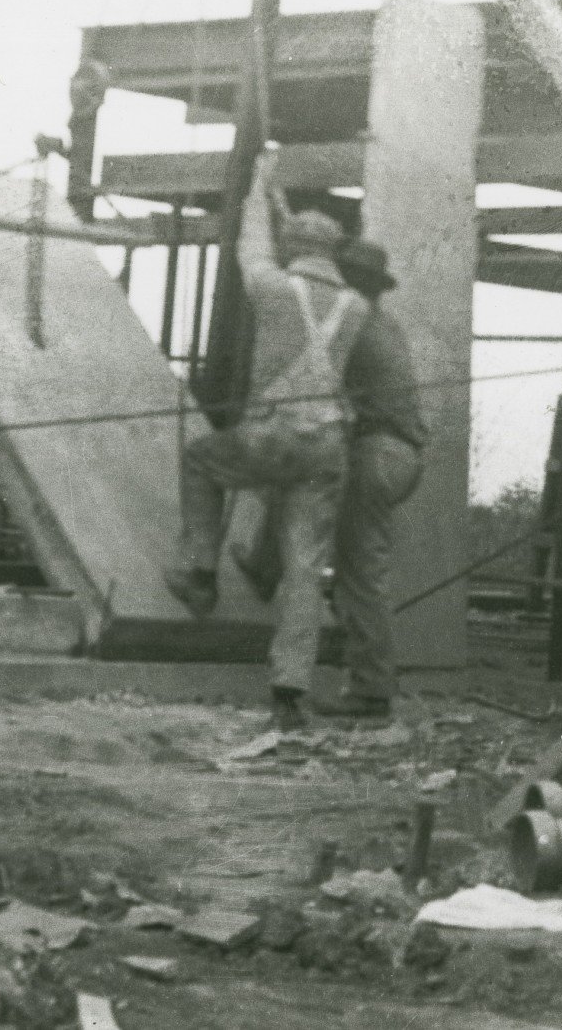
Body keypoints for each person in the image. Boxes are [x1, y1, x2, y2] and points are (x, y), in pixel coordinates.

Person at [169, 142, 368, 728]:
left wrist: (260, 184)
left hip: (273, 433)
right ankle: (288, 692)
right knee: (305, 567)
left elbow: (250, 243)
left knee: (201, 461)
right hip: (327, 445)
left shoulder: (273, 288)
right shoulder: (357, 307)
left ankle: (201, 574)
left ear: (292, 247)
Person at [240, 234, 427, 719]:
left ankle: (371, 691)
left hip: (376, 453)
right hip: (397, 454)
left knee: (360, 573)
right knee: (352, 558)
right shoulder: (381, 321)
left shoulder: (353, 322)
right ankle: (265, 568)